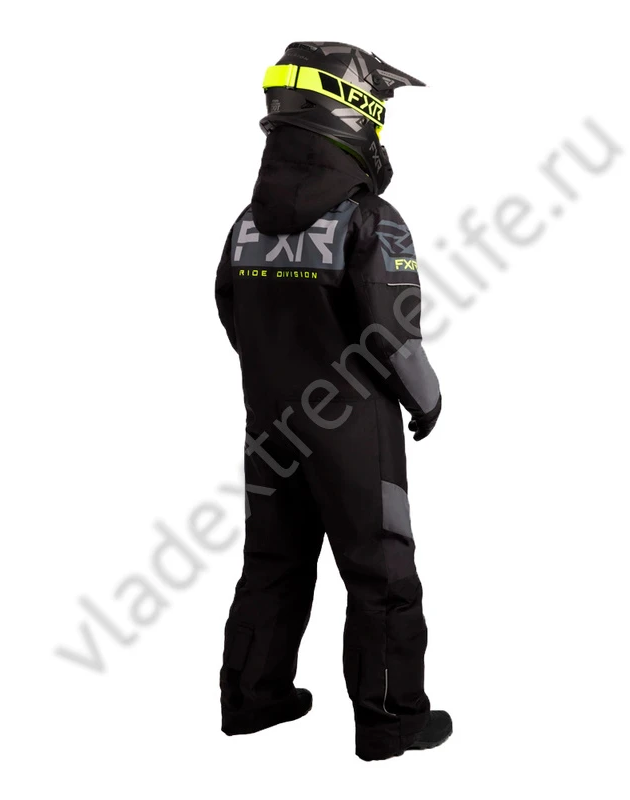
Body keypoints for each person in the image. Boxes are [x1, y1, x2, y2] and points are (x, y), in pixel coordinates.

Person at [214, 41, 451, 761]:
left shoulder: (245, 223)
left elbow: (230, 310)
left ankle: (253, 701)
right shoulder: (372, 219)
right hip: (352, 428)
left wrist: (280, 372)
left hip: (270, 422)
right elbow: (393, 335)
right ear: (353, 118)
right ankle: (393, 723)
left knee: (272, 561)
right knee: (382, 571)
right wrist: (427, 401)